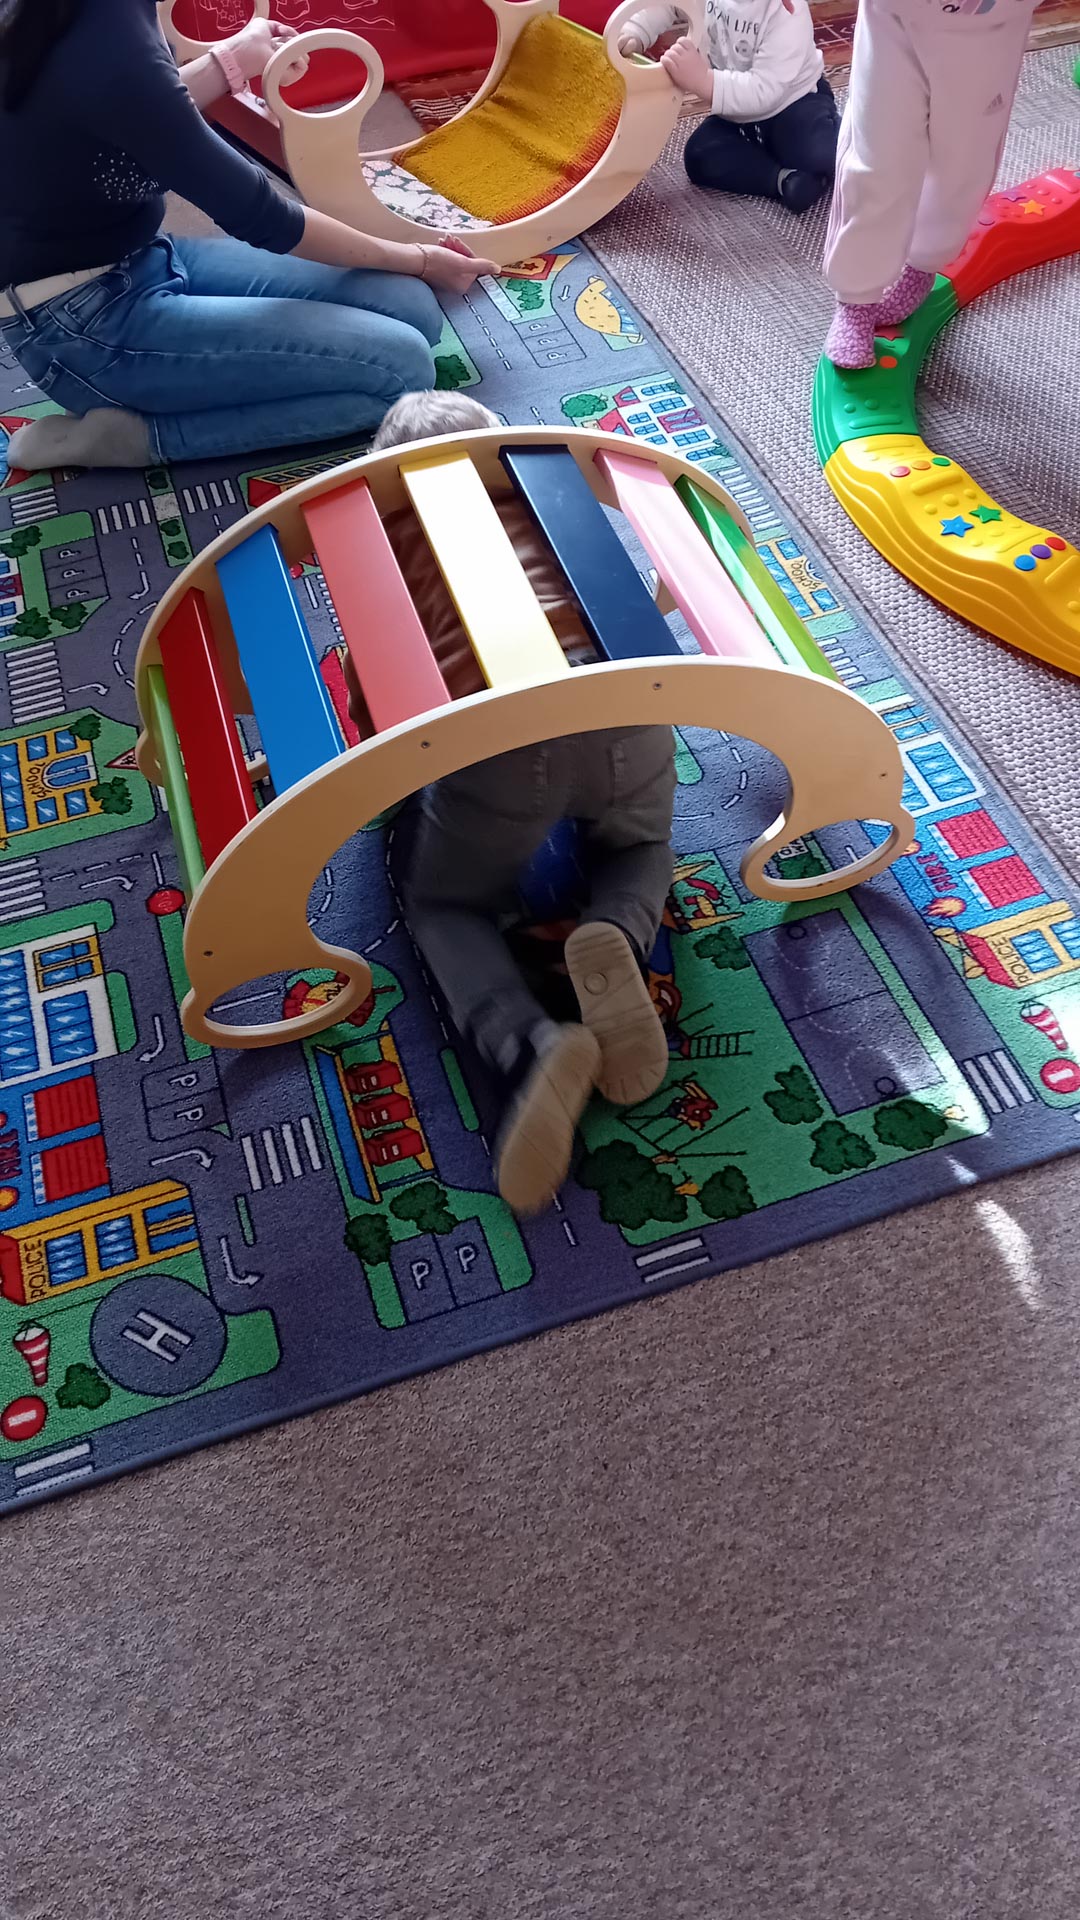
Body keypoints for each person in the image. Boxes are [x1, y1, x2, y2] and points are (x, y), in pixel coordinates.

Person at [350, 391, 676, 1217]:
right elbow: (627, 596)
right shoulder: (547, 493)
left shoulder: (379, 548)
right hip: (621, 706)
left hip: (501, 745)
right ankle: (616, 933)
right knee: (639, 845)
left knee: (443, 900)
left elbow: (376, 702)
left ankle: (526, 1043)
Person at [0, 0, 499, 472]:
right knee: (402, 370)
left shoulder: (96, 18)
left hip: (138, 257)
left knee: (411, 307)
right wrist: (419, 258)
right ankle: (141, 438)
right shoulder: (103, 36)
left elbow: (133, 107)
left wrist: (230, 61)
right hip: (76, 326)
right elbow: (263, 215)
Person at [822, 0, 1038, 367]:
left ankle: (923, 263)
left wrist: (927, 257)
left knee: (963, 161)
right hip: (895, 18)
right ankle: (857, 298)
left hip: (991, 27)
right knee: (878, 155)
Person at [618, 0, 839, 214]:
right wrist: (636, 30)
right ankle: (785, 180)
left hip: (794, 103)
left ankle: (837, 142)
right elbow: (666, 4)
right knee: (700, 155)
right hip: (738, 116)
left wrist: (702, 80)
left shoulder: (787, 11)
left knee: (816, 150)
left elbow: (765, 90)